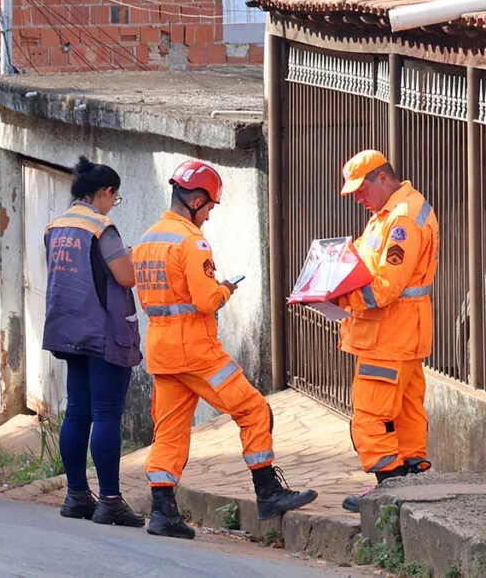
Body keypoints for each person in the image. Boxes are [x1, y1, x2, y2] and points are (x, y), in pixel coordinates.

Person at [132, 159, 318, 539]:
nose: (210, 216)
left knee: (168, 431)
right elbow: (204, 300)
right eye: (211, 207)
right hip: (196, 349)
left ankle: (163, 511)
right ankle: (267, 492)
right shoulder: (192, 241)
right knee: (253, 409)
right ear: (197, 200)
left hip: (161, 350)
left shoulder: (148, 239)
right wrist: (225, 290)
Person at [335, 150, 439, 513]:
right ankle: (411, 479)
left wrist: (337, 296)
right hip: (401, 335)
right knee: (408, 410)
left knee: (370, 414)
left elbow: (384, 288)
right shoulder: (390, 214)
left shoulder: (401, 220)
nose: (358, 199)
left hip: (388, 336)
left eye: (362, 190)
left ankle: (388, 488)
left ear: (383, 178)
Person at [43, 156, 144, 527]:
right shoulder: (102, 227)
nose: (112, 205)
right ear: (105, 192)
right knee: (106, 414)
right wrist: (131, 254)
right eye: (113, 198)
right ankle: (111, 501)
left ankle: (76, 495)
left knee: (77, 411)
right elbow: (126, 276)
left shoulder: (56, 226)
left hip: (68, 331)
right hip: (103, 332)